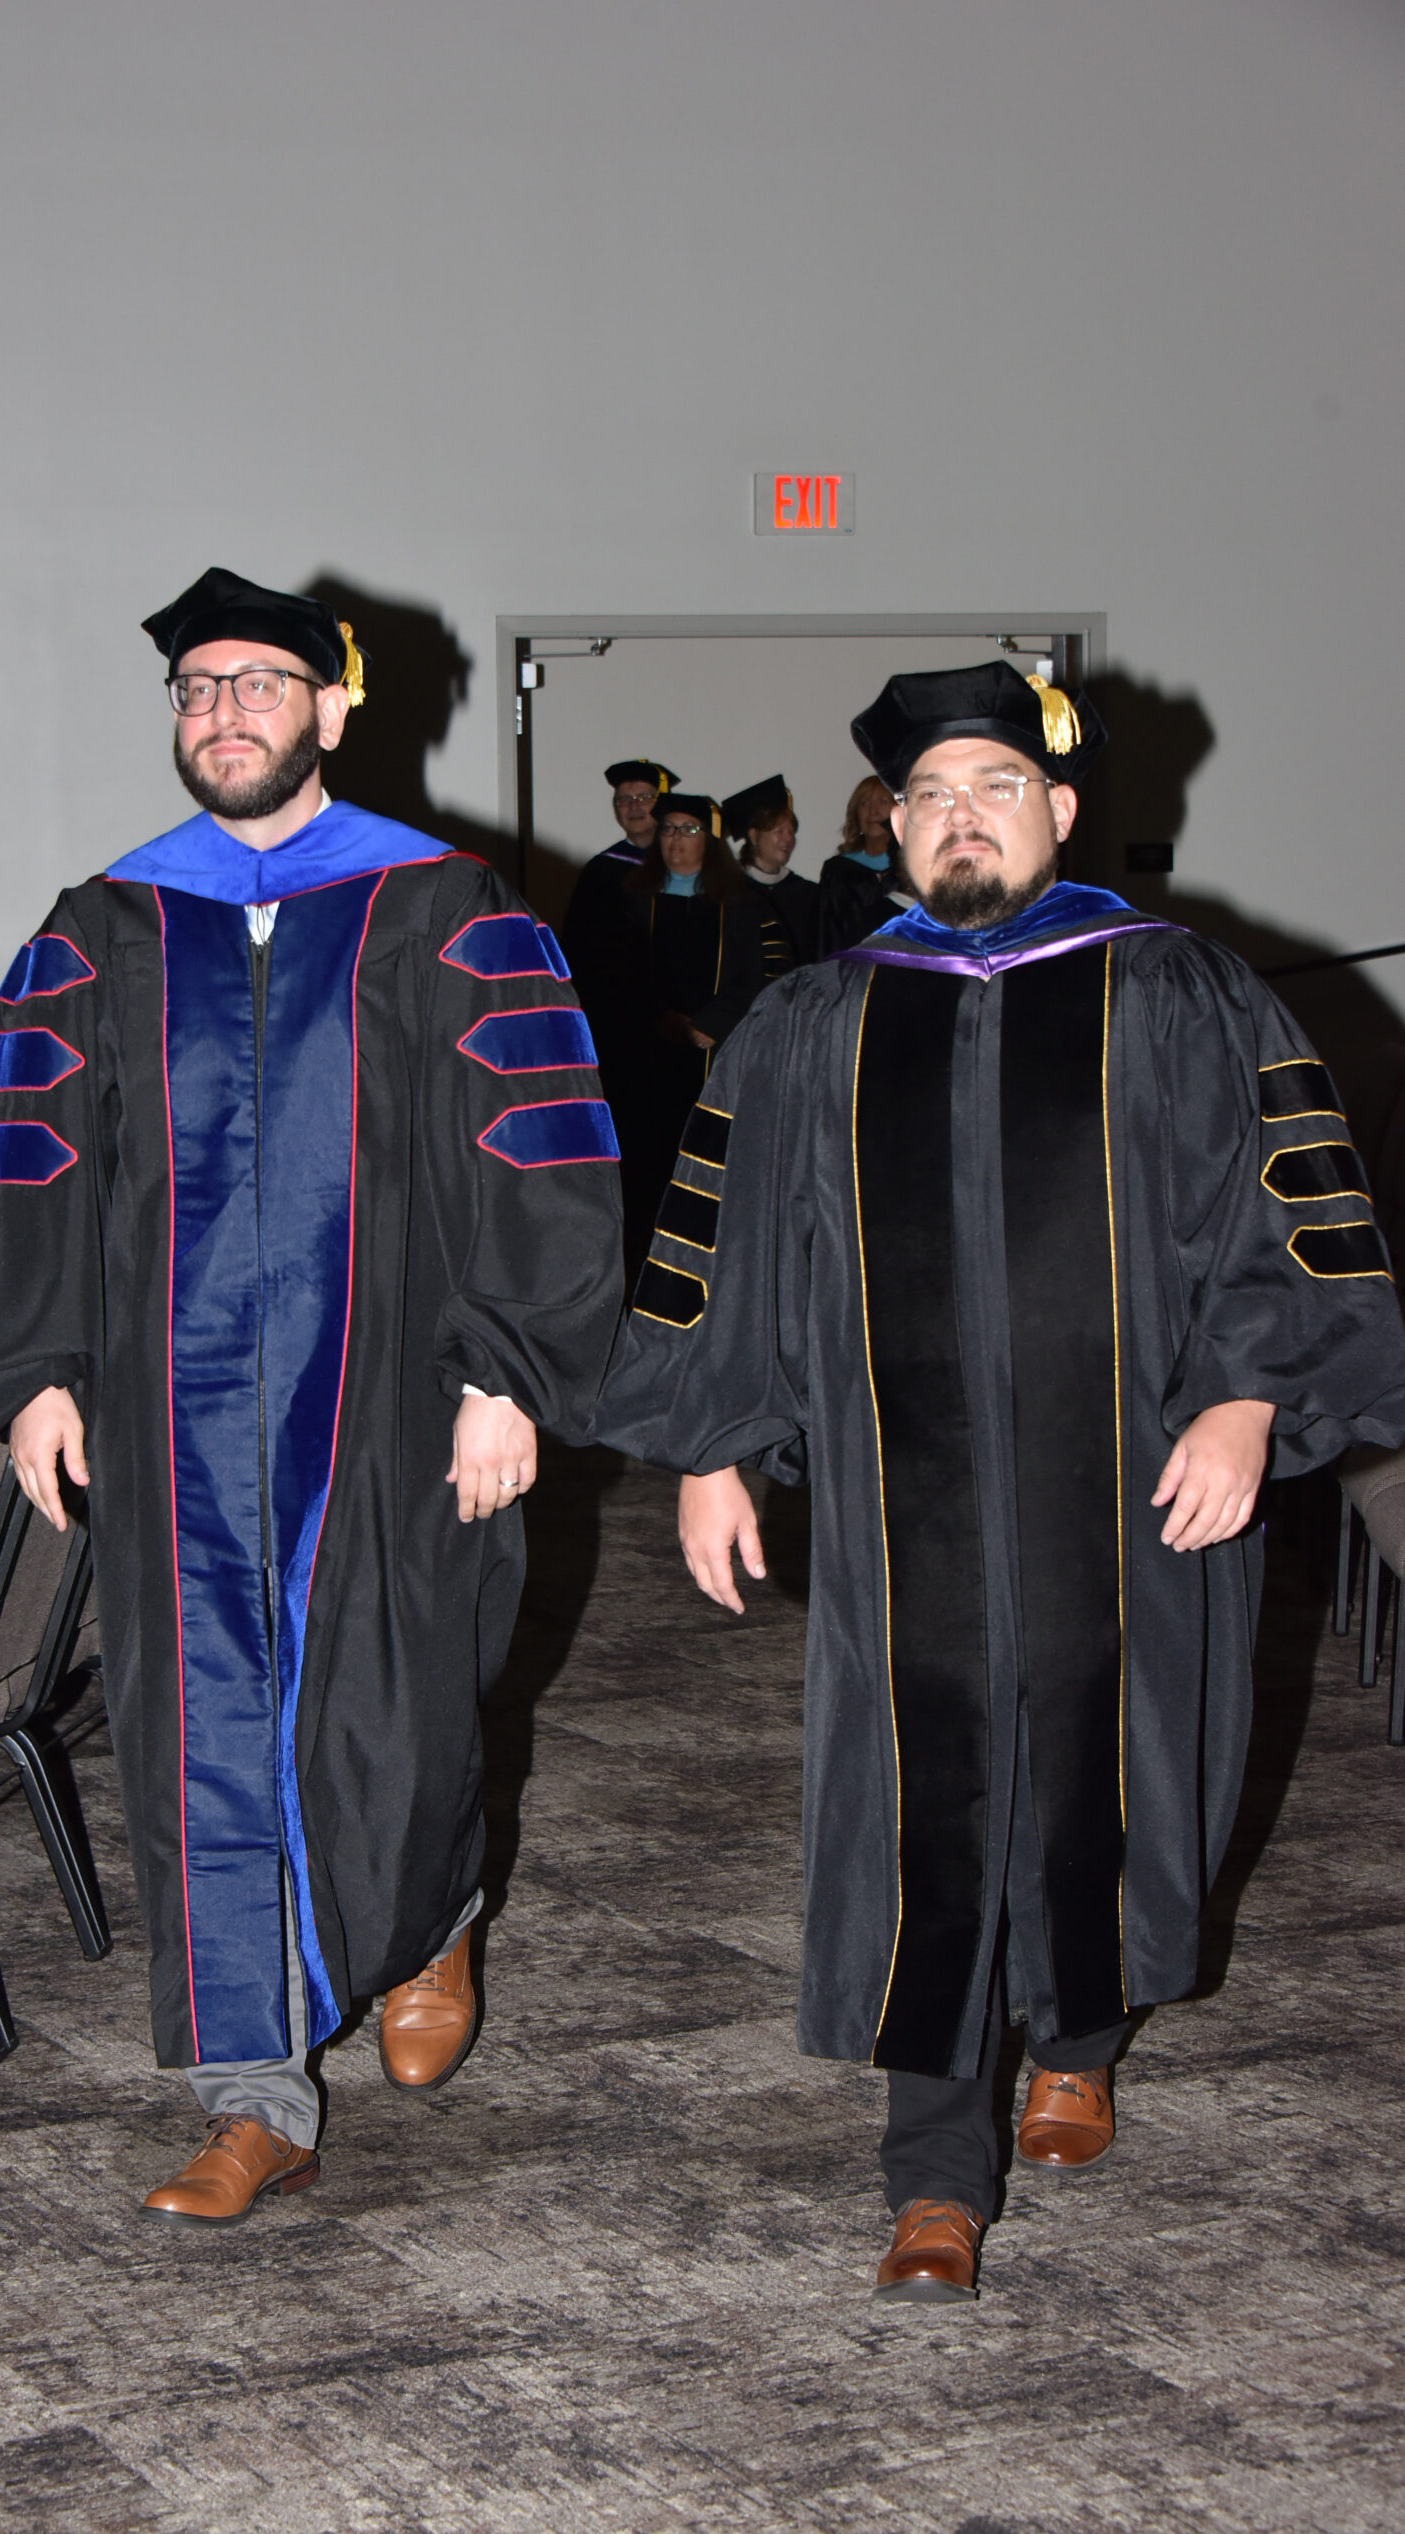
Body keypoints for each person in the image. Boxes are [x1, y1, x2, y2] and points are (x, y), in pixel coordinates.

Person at [596, 659, 1405, 2306]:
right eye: (930, 796)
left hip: (1137, 1479)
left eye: (994, 788)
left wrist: (1247, 1398)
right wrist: (708, 1446)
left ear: (1059, 811)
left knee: (1116, 1766)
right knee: (917, 1801)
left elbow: (1292, 1210)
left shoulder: (1176, 992)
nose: (959, 818)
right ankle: (930, 2174)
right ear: (894, 826)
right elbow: (723, 1248)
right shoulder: (815, 1019)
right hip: (898, 1503)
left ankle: (1078, 2039)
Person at [0, 568, 624, 2225]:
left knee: (405, 1702)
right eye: (198, 688)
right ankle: (251, 2093)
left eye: (258, 684)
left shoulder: (448, 910)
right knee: (199, 1732)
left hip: (395, 1391)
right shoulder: (103, 923)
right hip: (170, 1409)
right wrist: (33, 1372)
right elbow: (26, 1162)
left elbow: (538, 1154)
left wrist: (510, 1372)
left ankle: (430, 1914)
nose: (224, 711)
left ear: (332, 706)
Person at [614, 789, 773, 1271]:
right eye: (668, 829)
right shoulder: (631, 900)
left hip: (715, 1056)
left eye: (688, 829)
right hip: (645, 1057)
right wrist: (657, 1017)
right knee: (647, 1171)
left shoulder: (741, 904)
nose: (675, 839)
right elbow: (613, 974)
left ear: (710, 839)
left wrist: (710, 1023)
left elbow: (763, 976)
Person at [561, 758, 682, 1195]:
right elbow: (580, 951)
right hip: (621, 1026)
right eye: (623, 799)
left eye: (643, 797)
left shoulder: (687, 867)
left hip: (681, 1025)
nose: (633, 806)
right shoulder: (602, 871)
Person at [723, 775, 822, 970]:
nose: (788, 839)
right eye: (779, 831)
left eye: (791, 832)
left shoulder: (807, 894)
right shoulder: (730, 892)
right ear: (754, 836)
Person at [820, 771, 911, 950]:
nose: (872, 811)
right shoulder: (837, 870)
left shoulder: (908, 869)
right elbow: (826, 933)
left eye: (882, 802)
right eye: (864, 803)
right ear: (855, 814)